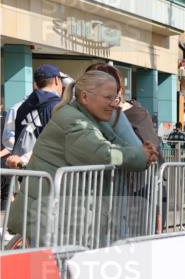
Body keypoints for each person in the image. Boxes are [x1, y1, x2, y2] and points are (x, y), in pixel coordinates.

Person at [6, 71, 157, 247]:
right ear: (85, 97)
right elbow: (103, 153)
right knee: (54, 272)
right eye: (108, 98)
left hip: (59, 217)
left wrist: (142, 153)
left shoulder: (89, 117)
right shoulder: (73, 120)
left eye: (116, 99)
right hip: (49, 219)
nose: (114, 105)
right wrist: (141, 156)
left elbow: (117, 144)